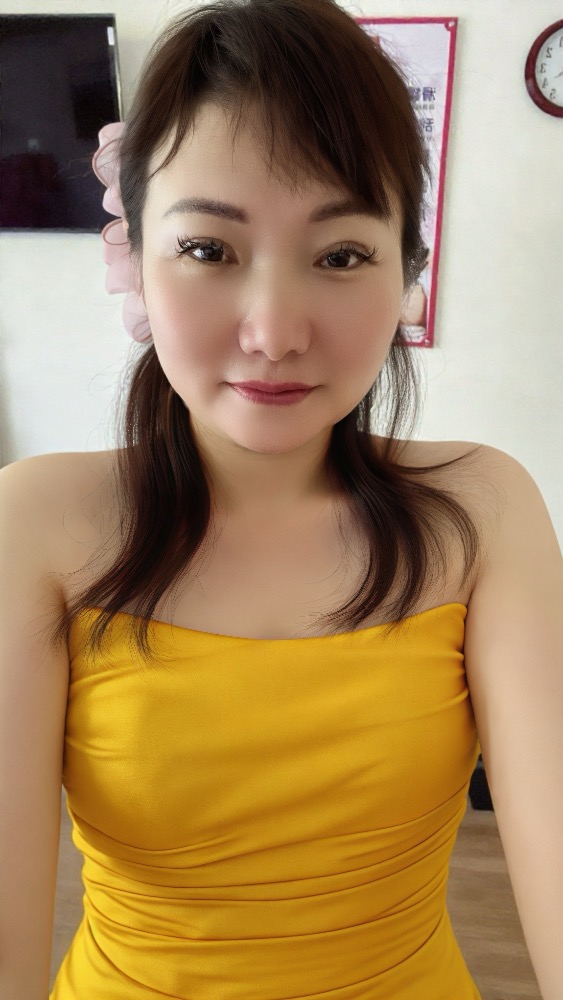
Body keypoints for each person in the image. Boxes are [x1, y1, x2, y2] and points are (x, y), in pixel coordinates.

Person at [0, 2, 561, 998]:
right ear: (134, 259)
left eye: (339, 255)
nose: (272, 331)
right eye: (208, 250)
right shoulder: (36, 523)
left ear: (404, 271)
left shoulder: (482, 514)